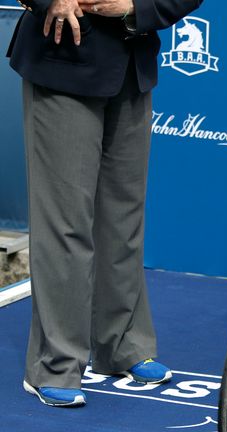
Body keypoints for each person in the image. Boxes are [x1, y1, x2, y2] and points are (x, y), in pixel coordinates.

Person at [7, 0, 202, 407]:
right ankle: (54, 364)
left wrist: (136, 7)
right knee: (65, 222)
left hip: (132, 68)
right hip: (63, 58)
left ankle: (121, 346)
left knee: (123, 218)